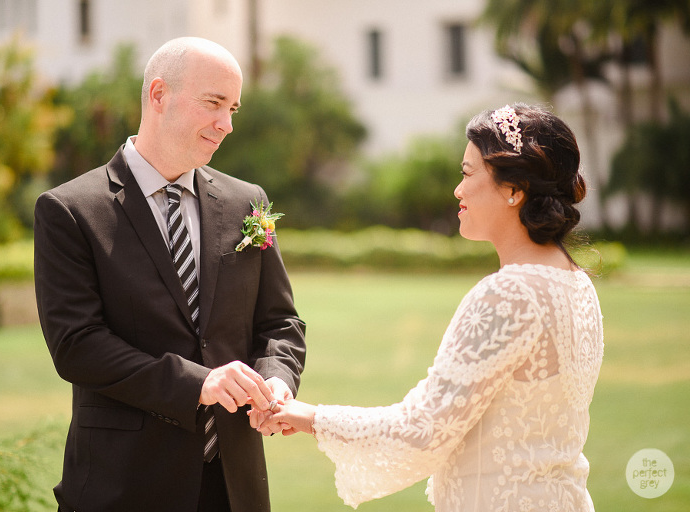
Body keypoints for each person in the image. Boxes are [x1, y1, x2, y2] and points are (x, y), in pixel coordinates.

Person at [259, 103, 604, 511]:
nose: (458, 190)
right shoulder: (577, 282)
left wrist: (311, 418)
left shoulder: (509, 294)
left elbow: (421, 432)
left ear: (514, 190)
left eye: (468, 173)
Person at [34, 37, 306, 512]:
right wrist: (196, 383)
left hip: (234, 489)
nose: (226, 124)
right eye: (214, 103)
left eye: (233, 108)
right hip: (124, 488)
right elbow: (77, 345)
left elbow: (280, 324)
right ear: (159, 94)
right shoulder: (70, 210)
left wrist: (277, 379)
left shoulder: (248, 202)